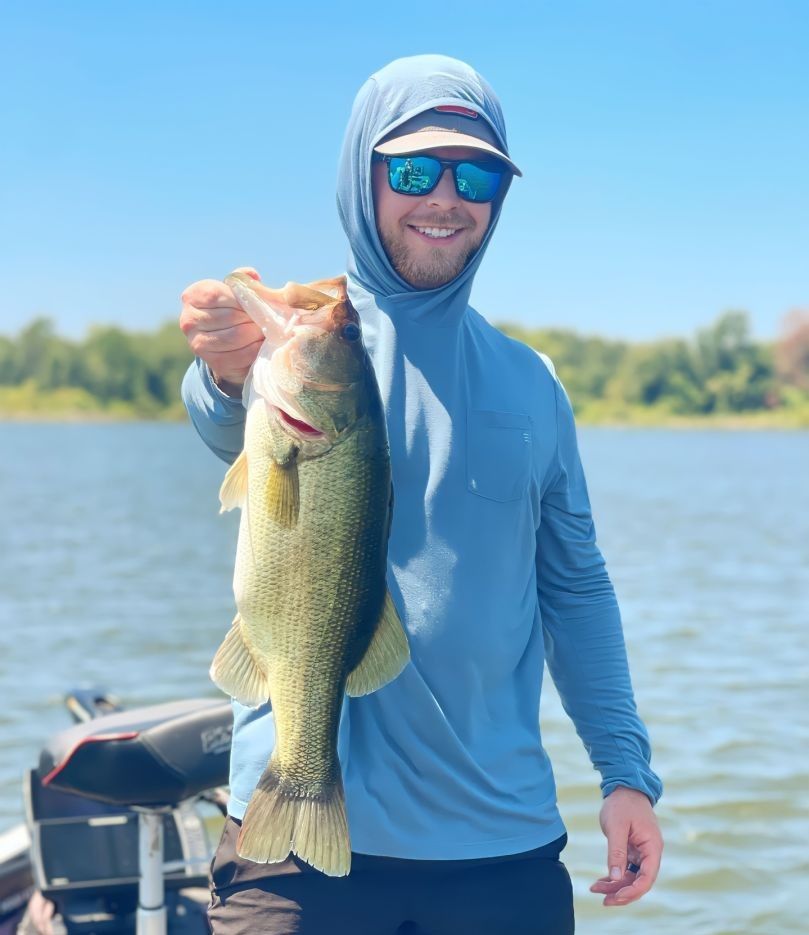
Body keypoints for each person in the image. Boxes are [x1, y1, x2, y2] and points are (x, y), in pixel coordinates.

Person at [179, 54, 663, 935]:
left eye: (474, 174)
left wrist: (624, 771)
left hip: (500, 850)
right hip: (291, 849)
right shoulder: (309, 332)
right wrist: (219, 367)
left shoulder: (534, 381)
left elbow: (577, 588)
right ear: (360, 173)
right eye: (411, 170)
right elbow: (225, 422)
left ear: (497, 197)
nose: (444, 197)